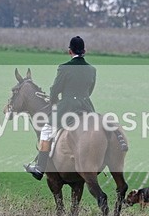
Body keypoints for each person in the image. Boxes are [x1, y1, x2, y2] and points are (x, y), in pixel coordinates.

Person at [24, 35, 96, 180]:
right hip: (87, 107)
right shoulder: (92, 69)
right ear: (84, 51)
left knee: (46, 130)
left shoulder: (64, 68)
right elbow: (90, 91)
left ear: (70, 51)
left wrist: (53, 101)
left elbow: (55, 89)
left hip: (67, 107)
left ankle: (40, 168)